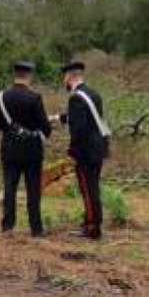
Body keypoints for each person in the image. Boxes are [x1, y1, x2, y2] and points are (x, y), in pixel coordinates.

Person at [0, 61, 52, 237]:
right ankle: (36, 229)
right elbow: (45, 128)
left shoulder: (1, 97)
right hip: (32, 151)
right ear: (29, 76)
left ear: (14, 75)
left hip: (10, 149)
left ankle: (7, 227)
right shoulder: (35, 98)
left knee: (9, 188)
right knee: (33, 190)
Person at [58, 61, 110, 240]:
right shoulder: (93, 93)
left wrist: (72, 152)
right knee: (93, 187)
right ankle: (94, 221)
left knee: (87, 190)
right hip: (98, 148)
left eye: (64, 77)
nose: (64, 81)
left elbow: (78, 130)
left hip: (86, 151)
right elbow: (89, 119)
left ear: (69, 77)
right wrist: (59, 118)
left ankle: (92, 228)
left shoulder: (75, 98)